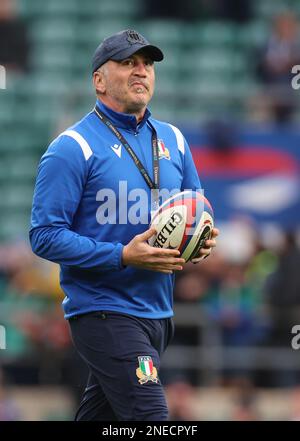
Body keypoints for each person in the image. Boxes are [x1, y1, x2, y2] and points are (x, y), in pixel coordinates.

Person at [30, 29, 219, 421]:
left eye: (147, 64)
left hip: (158, 313)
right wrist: (122, 256)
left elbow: (198, 211)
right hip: (103, 312)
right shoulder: (72, 147)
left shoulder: (174, 140)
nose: (141, 71)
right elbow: (44, 235)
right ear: (98, 80)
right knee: (151, 417)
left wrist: (201, 241)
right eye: (128, 62)